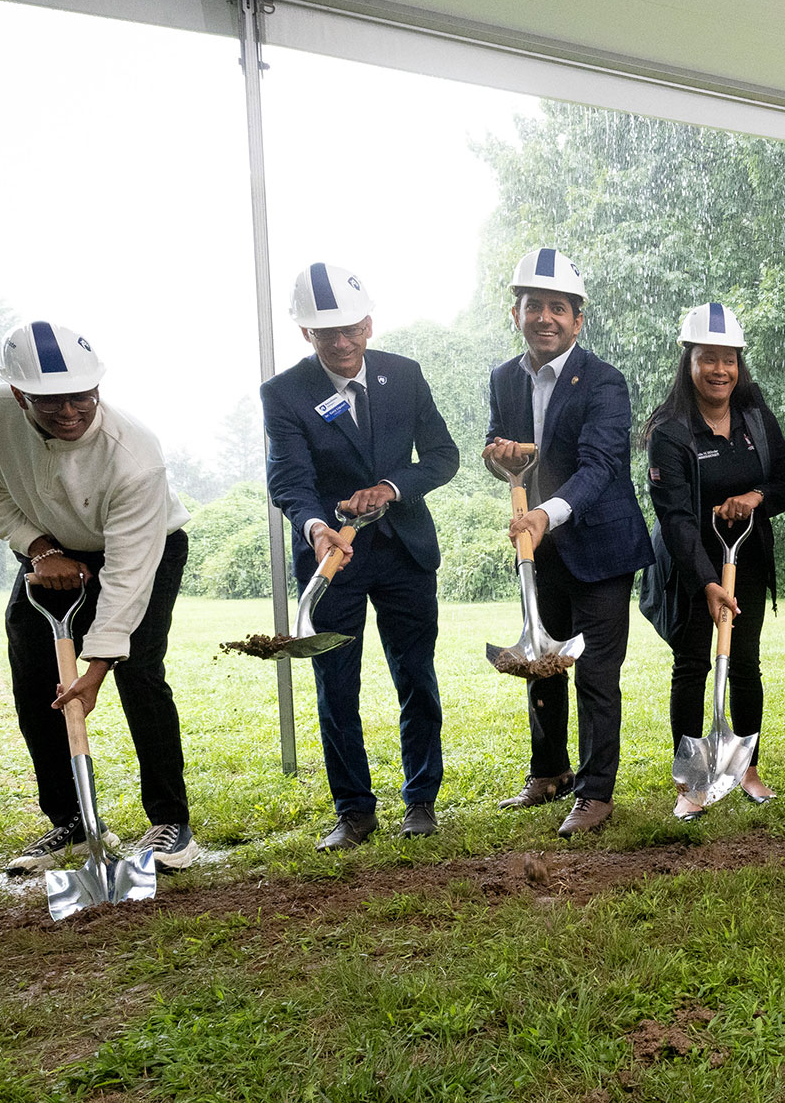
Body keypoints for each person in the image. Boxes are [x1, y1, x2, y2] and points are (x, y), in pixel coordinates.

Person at [0, 321, 200, 874]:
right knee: (34, 673)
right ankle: (69, 822)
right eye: (48, 401)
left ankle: (170, 824)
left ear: (98, 387)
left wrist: (98, 665)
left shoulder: (133, 455)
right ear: (19, 395)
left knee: (138, 670)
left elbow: (129, 574)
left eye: (80, 397)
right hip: (49, 550)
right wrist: (39, 550)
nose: (68, 411)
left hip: (142, 547)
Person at [261, 262, 460, 849]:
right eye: (327, 334)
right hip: (334, 562)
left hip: (405, 552)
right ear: (307, 336)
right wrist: (319, 527)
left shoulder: (404, 375)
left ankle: (420, 800)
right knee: (336, 686)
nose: (342, 343)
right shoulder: (285, 393)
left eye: (351, 329)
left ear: (369, 324)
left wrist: (393, 488)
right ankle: (354, 811)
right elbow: (289, 483)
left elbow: (442, 457)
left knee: (416, 677)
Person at [485, 248, 654, 837]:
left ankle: (595, 792)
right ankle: (549, 771)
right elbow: (500, 449)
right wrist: (496, 457)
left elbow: (601, 465)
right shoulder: (503, 378)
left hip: (600, 549)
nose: (545, 318)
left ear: (577, 320)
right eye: (534, 306)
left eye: (558, 308)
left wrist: (545, 515)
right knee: (539, 663)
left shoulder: (605, 381)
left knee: (595, 672)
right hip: (539, 553)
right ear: (516, 314)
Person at [645, 302, 785, 820]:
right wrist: (708, 583)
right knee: (692, 664)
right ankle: (690, 780)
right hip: (691, 566)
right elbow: (675, 518)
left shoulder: (755, 416)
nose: (720, 370)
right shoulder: (669, 432)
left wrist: (755, 497)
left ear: (740, 363)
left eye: (729, 359)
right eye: (708, 358)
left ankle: (748, 767)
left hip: (748, 559)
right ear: (688, 361)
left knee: (745, 661)